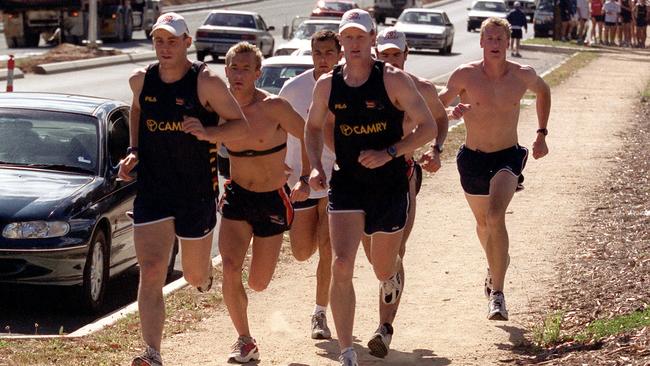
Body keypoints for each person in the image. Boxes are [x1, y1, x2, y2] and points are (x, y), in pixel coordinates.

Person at [305, 9, 437, 366]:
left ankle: (391, 270)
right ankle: (348, 350)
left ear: (372, 39)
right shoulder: (328, 84)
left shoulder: (393, 80)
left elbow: (428, 127)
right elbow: (313, 127)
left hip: (389, 184)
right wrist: (317, 166)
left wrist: (390, 152)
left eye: (360, 37)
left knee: (381, 269)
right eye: (347, 38)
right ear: (340, 41)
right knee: (342, 263)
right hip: (347, 182)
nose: (353, 44)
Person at [119, 12, 249, 366]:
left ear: (187, 44)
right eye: (159, 40)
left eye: (172, 41)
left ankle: (204, 276)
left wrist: (209, 133)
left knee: (193, 275)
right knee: (151, 268)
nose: (165, 47)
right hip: (154, 190)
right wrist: (134, 151)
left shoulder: (205, 83)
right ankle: (152, 352)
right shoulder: (141, 80)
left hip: (196, 193)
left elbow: (240, 126)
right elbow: (136, 109)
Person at [433, 17, 551, 321]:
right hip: (472, 158)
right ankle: (496, 265)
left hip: (507, 157)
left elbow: (544, 91)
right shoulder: (465, 75)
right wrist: (452, 110)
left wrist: (541, 133)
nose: (496, 44)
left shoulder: (522, 75)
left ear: (508, 42)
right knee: (484, 225)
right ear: (481, 41)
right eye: (490, 38)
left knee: (496, 216)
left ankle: (497, 294)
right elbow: (438, 106)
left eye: (501, 39)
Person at [355, 27, 449, 359]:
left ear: (406, 55)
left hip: (403, 173)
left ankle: (384, 328)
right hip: (363, 177)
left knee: (398, 249)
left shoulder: (421, 88)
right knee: (376, 257)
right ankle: (389, 275)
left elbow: (439, 119)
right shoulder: (361, 86)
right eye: (385, 55)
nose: (391, 60)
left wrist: (436, 149)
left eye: (397, 54)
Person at [216, 41, 309, 364]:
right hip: (237, 196)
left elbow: (308, 135)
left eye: (246, 68)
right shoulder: (219, 110)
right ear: (225, 71)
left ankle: (246, 334)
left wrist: (306, 175)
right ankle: (244, 339)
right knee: (229, 268)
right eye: (233, 68)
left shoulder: (274, 107)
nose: (239, 74)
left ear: (257, 73)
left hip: (272, 198)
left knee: (258, 282)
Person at [279, 29, 342, 340]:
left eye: (330, 53)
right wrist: (280, 166)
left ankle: (320, 313)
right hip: (301, 180)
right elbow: (277, 128)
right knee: (303, 252)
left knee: (329, 249)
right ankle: (319, 243)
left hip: (338, 179)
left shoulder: (350, 85)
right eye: (318, 53)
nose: (323, 59)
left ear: (340, 54)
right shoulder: (294, 89)